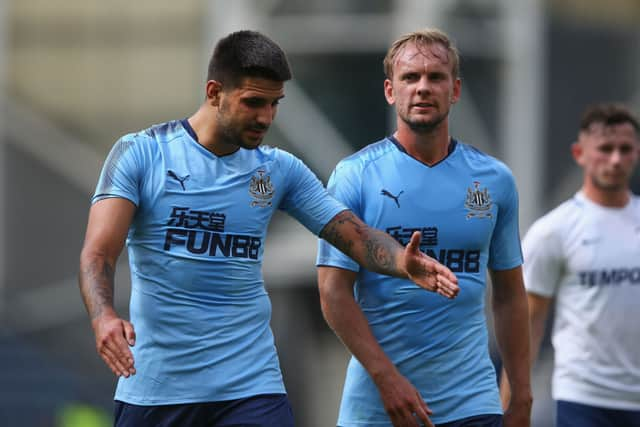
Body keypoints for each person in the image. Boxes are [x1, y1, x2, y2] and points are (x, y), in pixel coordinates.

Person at [77, 30, 459, 427]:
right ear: (214, 92)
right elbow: (98, 253)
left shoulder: (278, 170)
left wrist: (401, 261)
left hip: (251, 389)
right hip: (157, 389)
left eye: (274, 104)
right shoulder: (142, 153)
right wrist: (103, 316)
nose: (266, 117)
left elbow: (355, 235)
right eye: (253, 103)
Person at [316, 28, 532, 427]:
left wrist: (520, 393)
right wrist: (387, 379)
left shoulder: (494, 180)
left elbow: (510, 297)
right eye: (410, 77)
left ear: (455, 90)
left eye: (436, 77)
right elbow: (333, 293)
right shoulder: (354, 176)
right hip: (379, 406)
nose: (422, 88)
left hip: (473, 404)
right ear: (389, 91)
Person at [500, 103, 640, 427]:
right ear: (580, 153)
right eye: (605, 149)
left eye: (625, 149)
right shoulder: (555, 230)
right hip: (584, 398)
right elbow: (527, 322)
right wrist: (510, 403)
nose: (616, 159)